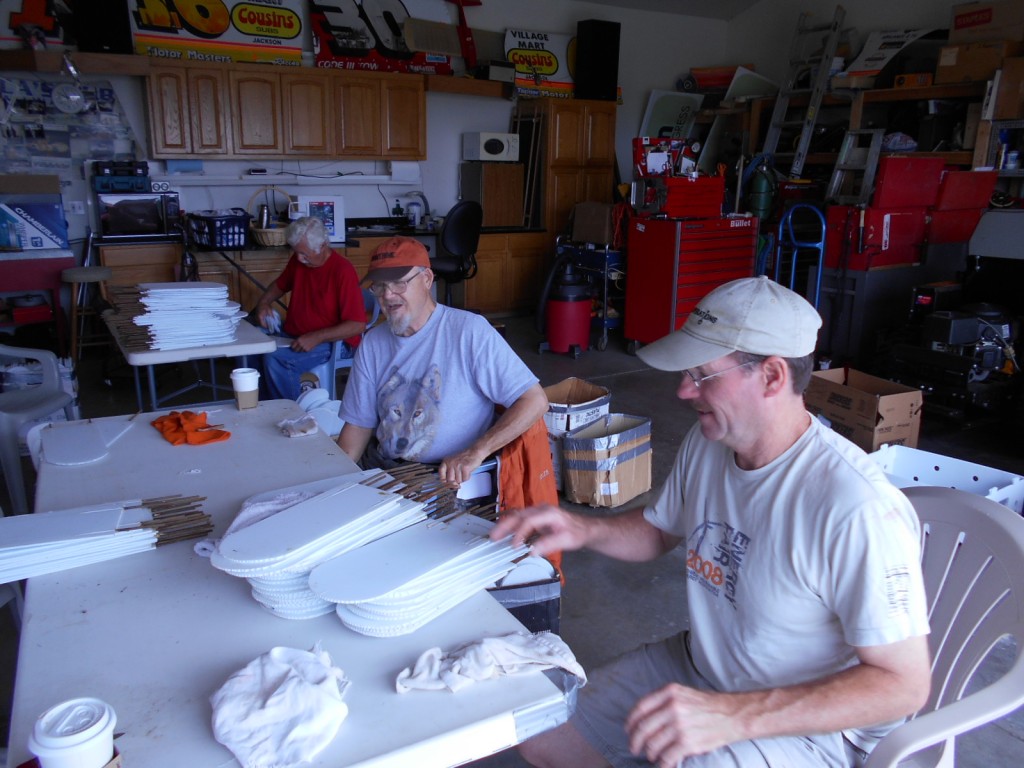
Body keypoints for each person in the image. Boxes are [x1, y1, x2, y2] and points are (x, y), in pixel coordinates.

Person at [491, 276, 932, 768]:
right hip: (702, 668)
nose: (683, 390)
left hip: (814, 729)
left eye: (703, 375)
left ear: (771, 377)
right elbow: (661, 531)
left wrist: (734, 716)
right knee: (544, 733)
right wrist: (582, 528)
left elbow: (902, 685)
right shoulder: (710, 443)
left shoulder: (856, 507)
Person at [336, 236, 549, 489]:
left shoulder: (469, 331)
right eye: (379, 286)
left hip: (451, 478)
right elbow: (358, 428)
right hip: (387, 468)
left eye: (398, 283)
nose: (388, 295)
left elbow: (535, 400)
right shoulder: (373, 343)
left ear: (427, 280)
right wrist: (335, 482)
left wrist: (475, 452)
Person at [254, 216, 366, 400]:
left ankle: (290, 416)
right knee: (251, 347)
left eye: (305, 254)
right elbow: (280, 285)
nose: (299, 258)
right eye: (296, 252)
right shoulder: (299, 260)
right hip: (296, 333)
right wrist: (264, 303)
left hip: (334, 342)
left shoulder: (342, 271)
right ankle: (265, 407)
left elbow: (357, 325)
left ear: (323, 246)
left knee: (277, 360)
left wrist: (316, 336)